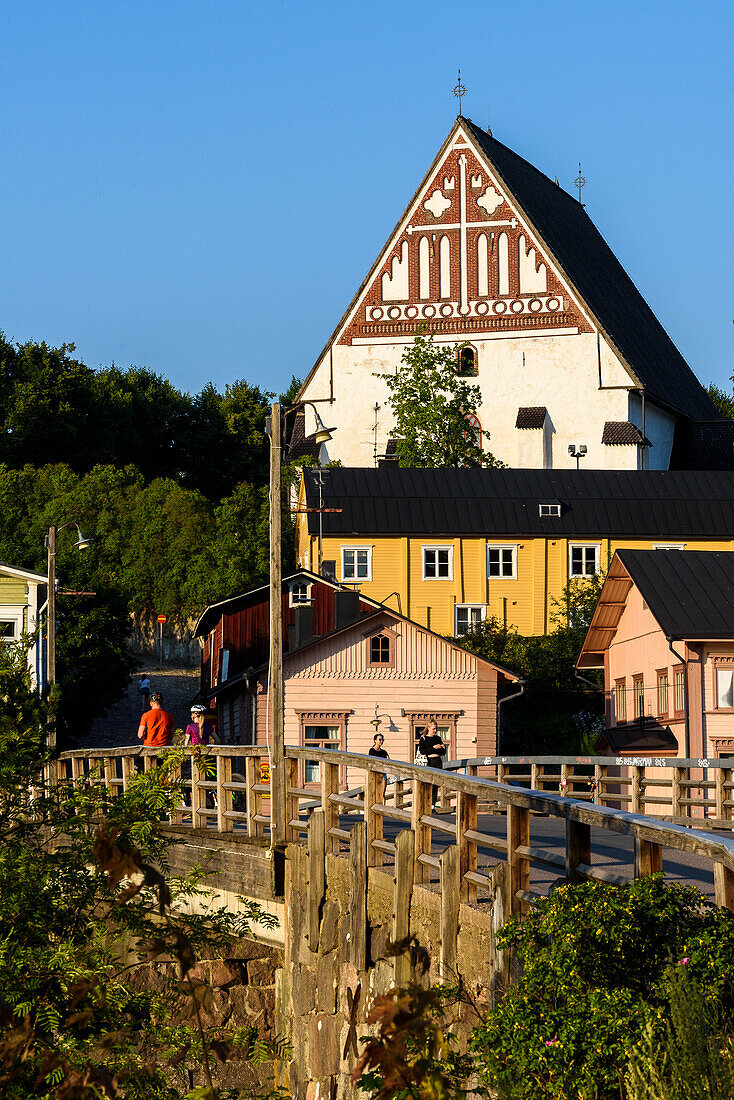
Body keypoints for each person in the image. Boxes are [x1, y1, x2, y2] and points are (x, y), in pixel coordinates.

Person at [418, 721, 447, 808]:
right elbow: (422, 751)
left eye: (436, 729)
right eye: (434, 729)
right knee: (428, 783)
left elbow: (443, 753)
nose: (435, 731)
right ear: (429, 728)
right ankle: (426, 803)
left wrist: (442, 748)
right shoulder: (423, 738)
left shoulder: (438, 738)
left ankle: (432, 805)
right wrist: (434, 748)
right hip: (429, 761)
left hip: (438, 761)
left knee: (436, 784)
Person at [368, 732, 390, 799]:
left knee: (382, 794)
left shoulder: (384, 752)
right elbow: (371, 762)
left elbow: (389, 761)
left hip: (383, 772)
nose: (381, 741)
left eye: (382, 740)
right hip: (375, 773)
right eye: (380, 739)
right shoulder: (372, 751)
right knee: (374, 793)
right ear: (375, 740)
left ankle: (382, 801)